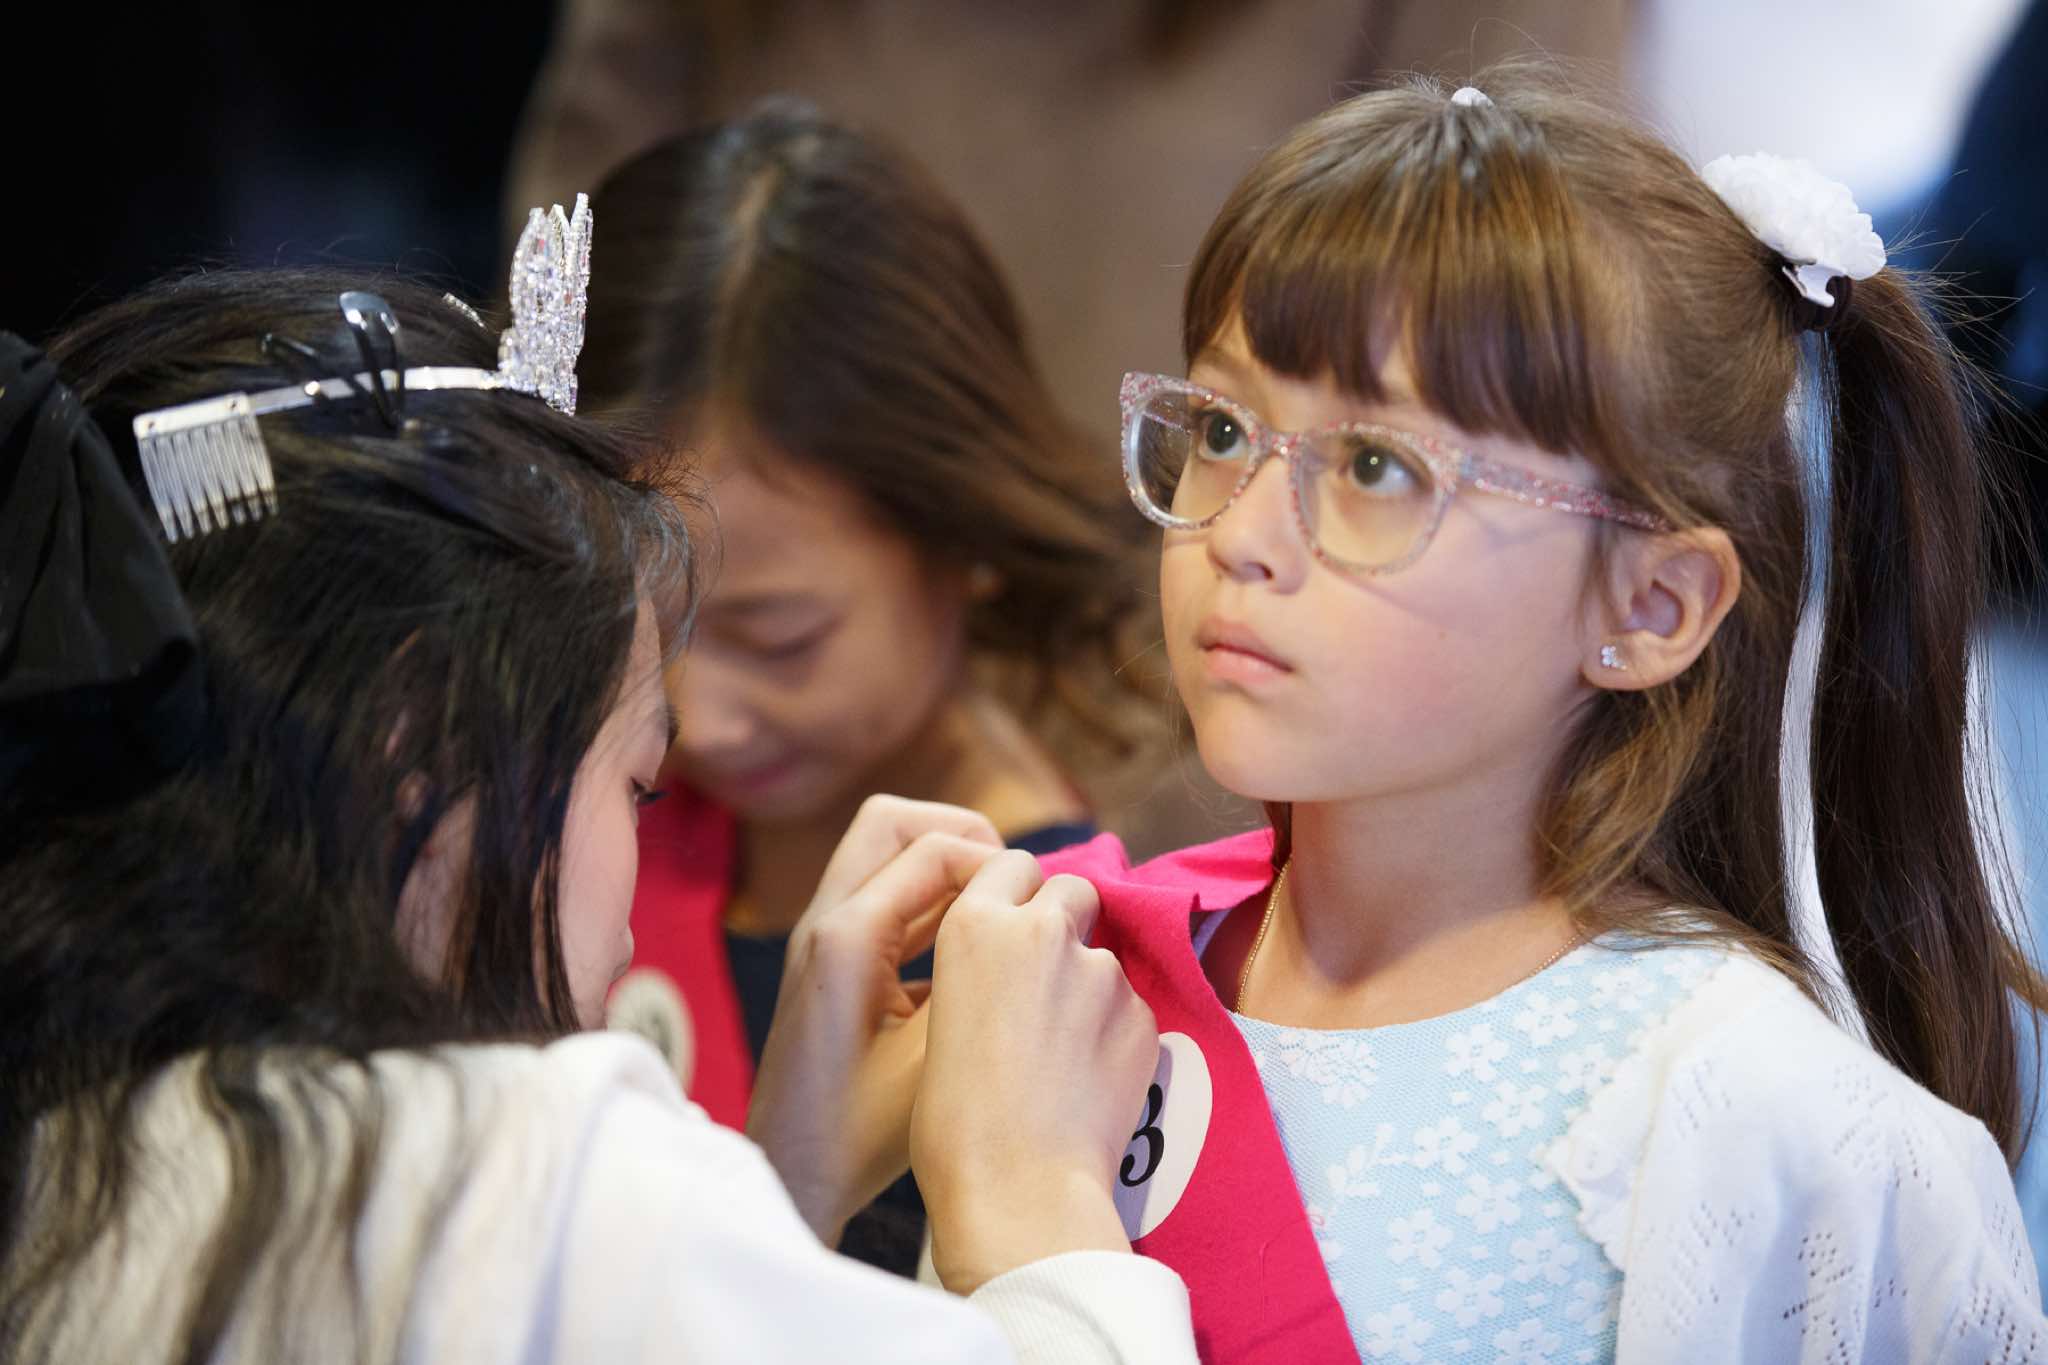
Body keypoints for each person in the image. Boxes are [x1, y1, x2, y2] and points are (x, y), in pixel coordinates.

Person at [0, 268, 1194, 1363]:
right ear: (424, 739)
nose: (710, 736)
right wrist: (1034, 1206)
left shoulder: (72, 1155)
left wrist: (789, 1172)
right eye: (636, 783)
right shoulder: (542, 1172)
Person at [1040, 67, 2048, 1361]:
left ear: (1649, 603)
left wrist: (1030, 1227)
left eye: (1375, 466)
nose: (1240, 536)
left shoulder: (1757, 1123)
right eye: (1225, 431)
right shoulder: (1079, 976)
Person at [579, 102, 1150, 1270]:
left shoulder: (1041, 953)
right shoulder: (577, 816)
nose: (696, 716)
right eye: (641, 626)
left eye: (778, 635)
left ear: (965, 535)